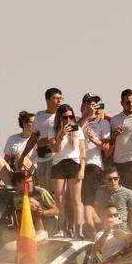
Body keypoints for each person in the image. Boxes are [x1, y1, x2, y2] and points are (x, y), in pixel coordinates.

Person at [49, 103, 87, 237]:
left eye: (71, 117)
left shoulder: (78, 129)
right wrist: (61, 134)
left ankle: (78, 229)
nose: (68, 120)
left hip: (74, 164)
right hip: (58, 164)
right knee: (59, 199)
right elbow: (56, 149)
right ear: (59, 118)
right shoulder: (52, 130)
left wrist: (82, 169)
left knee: (76, 199)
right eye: (65, 117)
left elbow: (83, 151)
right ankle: (61, 229)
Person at [17, 87, 63, 188]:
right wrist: (22, 156)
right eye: (55, 98)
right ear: (47, 100)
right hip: (41, 158)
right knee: (44, 190)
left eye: (61, 98)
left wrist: (47, 140)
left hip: (56, 158)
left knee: (54, 191)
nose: (59, 100)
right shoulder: (39, 115)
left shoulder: (62, 116)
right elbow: (33, 138)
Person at [77, 94, 111, 231]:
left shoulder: (103, 123)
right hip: (76, 164)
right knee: (78, 199)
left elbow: (107, 147)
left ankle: (92, 227)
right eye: (89, 103)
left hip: (93, 164)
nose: (92, 106)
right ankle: (83, 227)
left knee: (90, 199)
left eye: (95, 103)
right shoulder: (77, 120)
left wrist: (94, 139)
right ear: (83, 105)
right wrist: (86, 115)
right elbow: (73, 131)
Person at [94, 165, 132, 230]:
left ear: (119, 178)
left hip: (119, 223)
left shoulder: (129, 193)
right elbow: (96, 208)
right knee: (88, 210)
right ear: (104, 180)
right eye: (109, 179)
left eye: (115, 178)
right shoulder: (100, 190)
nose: (113, 181)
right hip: (104, 222)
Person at [2, 111, 35, 182]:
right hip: (13, 171)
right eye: (32, 122)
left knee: (20, 156)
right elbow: (6, 160)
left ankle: (22, 184)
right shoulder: (12, 138)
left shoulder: (36, 140)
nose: (35, 124)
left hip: (31, 172)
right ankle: (11, 183)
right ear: (24, 123)